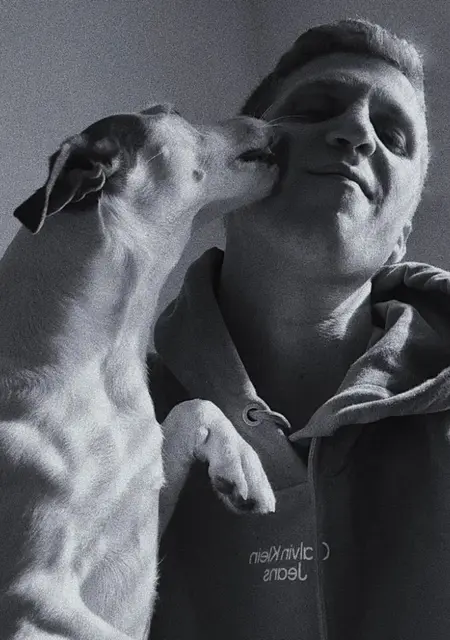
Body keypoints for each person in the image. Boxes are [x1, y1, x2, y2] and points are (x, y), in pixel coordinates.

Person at [147, 18, 450, 640]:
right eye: (313, 109)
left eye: (394, 136)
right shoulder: (98, 416)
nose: (358, 131)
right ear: (237, 170)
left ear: (402, 235)